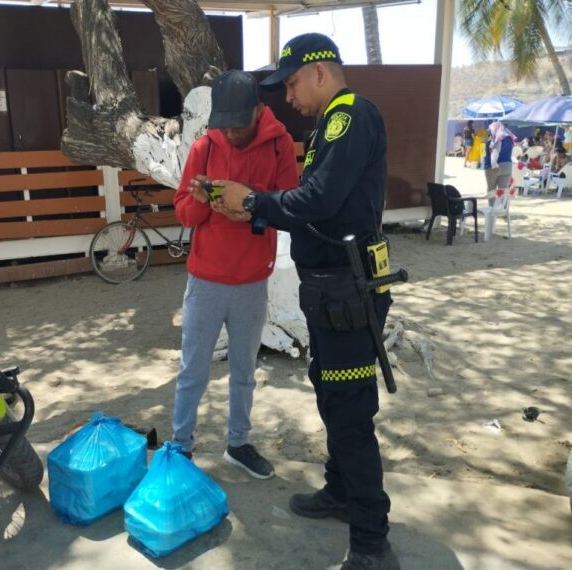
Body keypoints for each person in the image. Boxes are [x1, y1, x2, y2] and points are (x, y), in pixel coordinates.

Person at [218, 33, 399, 570]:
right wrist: (256, 209)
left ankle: (371, 540)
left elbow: (318, 199)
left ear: (320, 71)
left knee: (348, 413)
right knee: (331, 395)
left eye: (291, 83)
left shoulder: (350, 116)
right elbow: (314, 206)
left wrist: (252, 200)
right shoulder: (329, 123)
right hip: (331, 289)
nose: (286, 97)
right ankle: (340, 491)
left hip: (348, 288)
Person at [171, 70, 299, 479]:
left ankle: (239, 444)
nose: (233, 133)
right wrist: (202, 200)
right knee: (193, 370)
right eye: (224, 124)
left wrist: (250, 204)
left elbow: (290, 205)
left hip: (250, 282)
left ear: (259, 111)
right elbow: (184, 214)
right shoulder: (205, 147)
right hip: (205, 280)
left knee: (244, 371)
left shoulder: (279, 145)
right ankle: (180, 448)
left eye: (239, 124)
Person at [484, 120, 515, 191]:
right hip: (507, 166)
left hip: (492, 168)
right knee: (504, 192)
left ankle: (492, 203)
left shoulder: (491, 142)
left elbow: (485, 155)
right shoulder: (510, 139)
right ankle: (503, 202)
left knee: (491, 190)